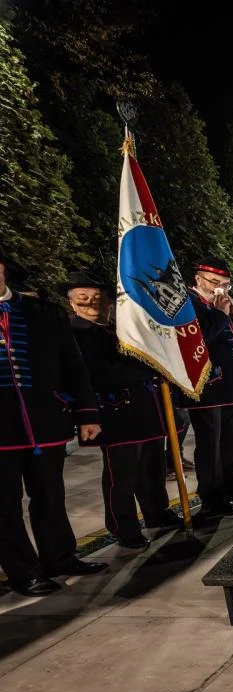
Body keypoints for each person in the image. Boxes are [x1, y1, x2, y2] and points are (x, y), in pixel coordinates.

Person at [0, 250, 107, 597]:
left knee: (50, 495)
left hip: (43, 421)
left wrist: (86, 413)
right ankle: (23, 572)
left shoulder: (44, 313)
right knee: (4, 507)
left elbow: (72, 366)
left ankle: (60, 557)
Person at [63, 271, 178, 549]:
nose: (92, 302)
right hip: (115, 413)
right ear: (71, 303)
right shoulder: (75, 333)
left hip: (145, 408)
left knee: (152, 468)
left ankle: (157, 511)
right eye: (83, 297)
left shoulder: (117, 328)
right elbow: (99, 373)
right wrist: (148, 368)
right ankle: (123, 526)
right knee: (122, 476)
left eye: (98, 297)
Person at [186, 257, 233, 517]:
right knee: (210, 446)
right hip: (208, 387)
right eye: (214, 282)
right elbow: (200, 338)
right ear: (198, 279)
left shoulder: (225, 304)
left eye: (226, 284)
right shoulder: (190, 304)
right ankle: (211, 497)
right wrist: (219, 314)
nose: (220, 289)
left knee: (232, 441)